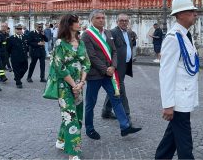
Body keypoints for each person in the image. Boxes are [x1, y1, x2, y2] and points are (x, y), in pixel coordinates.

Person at [82, 10, 141, 140]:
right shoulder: (86, 35)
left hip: (109, 73)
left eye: (103, 18)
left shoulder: (108, 33)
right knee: (91, 103)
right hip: (95, 75)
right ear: (92, 20)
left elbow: (114, 51)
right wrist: (105, 69)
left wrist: (113, 66)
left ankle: (125, 126)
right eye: (98, 18)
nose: (101, 20)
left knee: (116, 97)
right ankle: (90, 129)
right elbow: (91, 56)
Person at [155, 0, 199, 159]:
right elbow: (166, 73)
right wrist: (168, 104)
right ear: (180, 15)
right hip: (178, 100)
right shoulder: (173, 38)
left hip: (185, 95)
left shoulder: (186, 35)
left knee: (171, 139)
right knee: (185, 144)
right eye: (190, 11)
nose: (194, 14)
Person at [52, 14, 90, 160]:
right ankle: (73, 153)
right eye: (77, 22)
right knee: (70, 117)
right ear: (69, 24)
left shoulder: (80, 43)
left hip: (79, 85)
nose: (79, 24)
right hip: (64, 87)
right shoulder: (60, 43)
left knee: (78, 116)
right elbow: (59, 66)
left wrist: (81, 82)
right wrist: (74, 85)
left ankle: (61, 140)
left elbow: (87, 63)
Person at [102, 14, 134, 120]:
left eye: (126, 20)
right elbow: (108, 50)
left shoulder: (128, 33)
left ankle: (106, 111)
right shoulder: (112, 32)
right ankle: (126, 113)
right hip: (115, 66)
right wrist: (111, 65)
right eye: (121, 21)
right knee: (120, 88)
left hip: (125, 65)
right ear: (117, 22)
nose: (124, 22)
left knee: (115, 87)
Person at [7, 23, 29, 88]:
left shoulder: (25, 36)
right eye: (18, 29)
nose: (19, 30)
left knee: (25, 68)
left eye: (20, 29)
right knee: (16, 70)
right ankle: (18, 83)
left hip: (24, 57)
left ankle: (17, 78)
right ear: (15, 30)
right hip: (15, 58)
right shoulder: (11, 38)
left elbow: (26, 46)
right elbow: (8, 49)